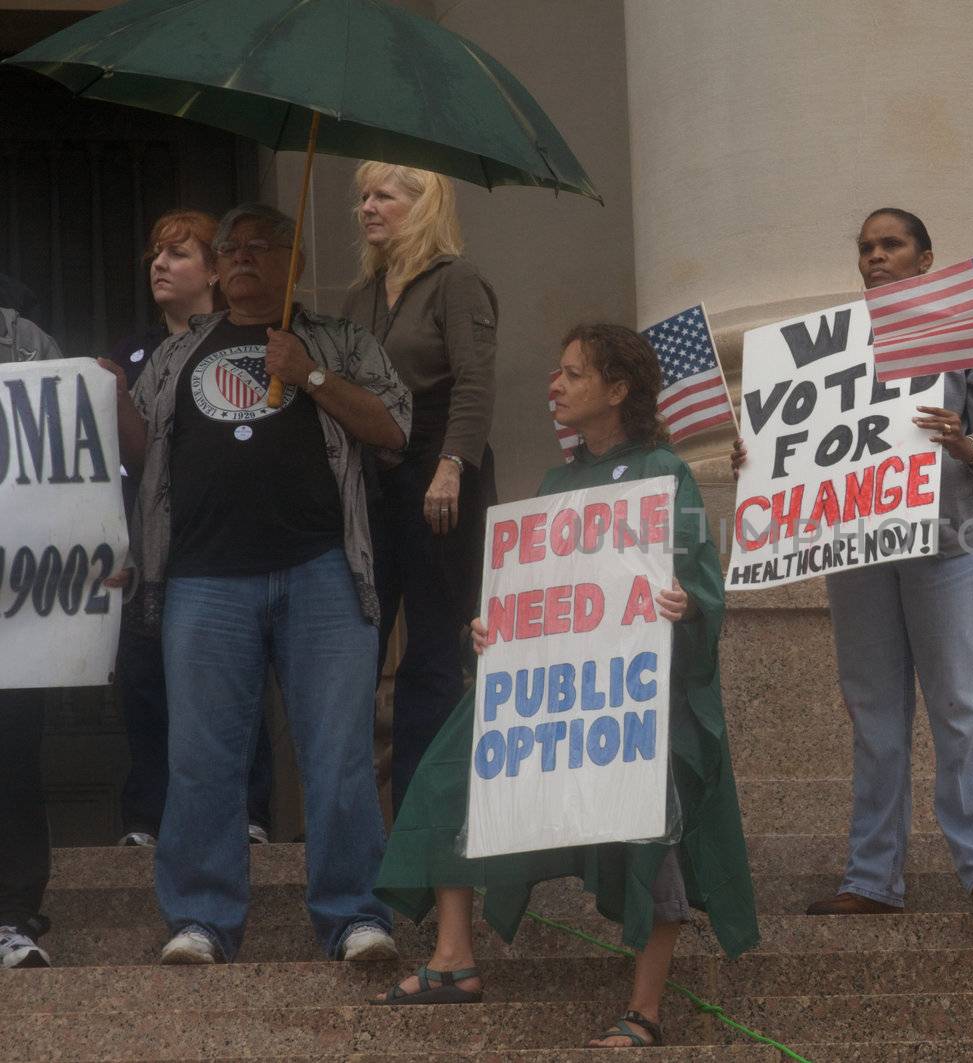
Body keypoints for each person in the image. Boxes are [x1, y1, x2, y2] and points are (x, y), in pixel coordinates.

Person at [369, 323, 758, 1049]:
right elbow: (530, 597)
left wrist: (685, 602)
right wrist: (488, 631)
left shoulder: (665, 472)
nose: (554, 384)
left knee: (656, 824)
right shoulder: (555, 485)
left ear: (617, 390)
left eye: (572, 373)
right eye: (558, 370)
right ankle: (454, 959)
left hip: (639, 696)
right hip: (558, 698)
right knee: (448, 773)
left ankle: (643, 1009)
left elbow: (702, 582)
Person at [123, 202, 412, 965]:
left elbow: (394, 428)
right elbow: (141, 445)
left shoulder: (340, 340)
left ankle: (353, 913)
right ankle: (202, 917)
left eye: (263, 247)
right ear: (216, 271)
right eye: (233, 248)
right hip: (204, 575)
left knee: (339, 750)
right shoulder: (179, 352)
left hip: (323, 568)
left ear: (296, 263)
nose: (244, 257)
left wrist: (309, 374)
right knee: (202, 754)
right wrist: (100, 396)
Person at [734, 207, 973, 918]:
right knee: (873, 715)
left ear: (925, 259)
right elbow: (795, 444)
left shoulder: (965, 330)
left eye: (892, 245)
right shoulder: (825, 348)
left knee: (960, 704)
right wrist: (762, 460)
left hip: (950, 546)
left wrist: (968, 446)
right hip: (859, 550)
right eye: (866, 247)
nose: (876, 256)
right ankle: (871, 877)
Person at [100, 209, 275, 849]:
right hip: (148, 543)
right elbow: (116, 462)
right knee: (146, 677)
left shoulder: (249, 342)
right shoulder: (131, 355)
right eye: (155, 256)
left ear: (214, 271)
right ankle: (148, 814)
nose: (159, 266)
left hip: (226, 539)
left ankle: (249, 810)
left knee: (237, 676)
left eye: (177, 255)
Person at [342, 163, 498, 812]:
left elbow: (474, 382)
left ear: (423, 203)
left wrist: (453, 462)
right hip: (374, 484)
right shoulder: (361, 296)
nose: (367, 208)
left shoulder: (457, 283)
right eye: (362, 197)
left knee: (433, 653)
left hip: (441, 479)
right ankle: (354, 822)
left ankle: (420, 823)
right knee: (357, 647)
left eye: (383, 195)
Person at [0, 302, 64, 969]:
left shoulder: (23, 341)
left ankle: (12, 913)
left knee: (13, 753)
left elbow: (72, 461)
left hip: (14, 597)